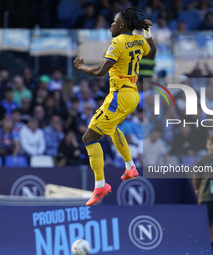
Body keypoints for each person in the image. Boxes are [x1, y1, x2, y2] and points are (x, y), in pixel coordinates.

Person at [73, 7, 156, 206]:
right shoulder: (137, 40)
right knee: (111, 129)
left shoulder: (118, 41)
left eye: (113, 21)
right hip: (133, 95)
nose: (111, 24)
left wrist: (81, 67)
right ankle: (130, 167)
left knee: (89, 137)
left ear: (121, 25)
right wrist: (147, 32)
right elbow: (152, 53)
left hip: (119, 95)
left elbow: (101, 71)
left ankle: (100, 185)